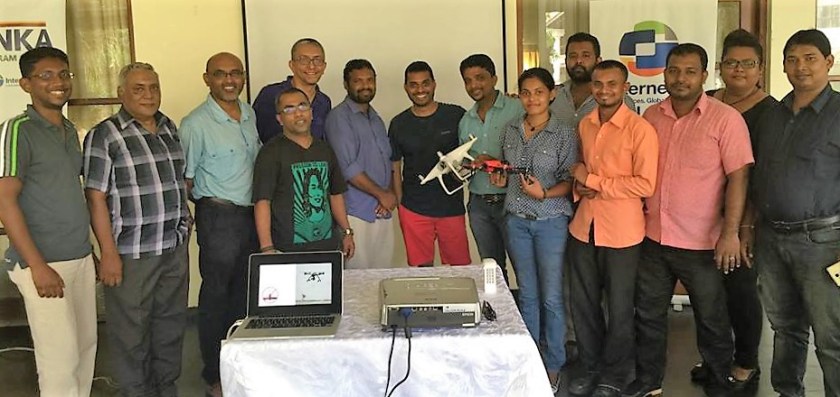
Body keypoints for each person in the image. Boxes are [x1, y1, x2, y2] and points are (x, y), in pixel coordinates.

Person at [625, 43, 753, 397]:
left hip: (703, 242)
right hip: (653, 238)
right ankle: (649, 381)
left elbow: (739, 177)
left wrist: (731, 233)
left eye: (690, 71)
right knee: (648, 315)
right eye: (674, 71)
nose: (680, 78)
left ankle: (718, 381)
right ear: (664, 73)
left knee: (712, 319)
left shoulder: (725, 119)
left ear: (704, 75)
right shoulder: (650, 117)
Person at [84, 62, 191, 397]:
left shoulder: (169, 127)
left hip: (173, 249)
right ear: (121, 94)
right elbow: (95, 197)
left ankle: (165, 389)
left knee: (171, 328)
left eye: (154, 87)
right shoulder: (105, 135)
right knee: (131, 335)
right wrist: (108, 254)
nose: (149, 95)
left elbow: (176, 181)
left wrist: (185, 219)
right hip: (131, 254)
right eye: (139, 88)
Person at [0, 47, 96, 397]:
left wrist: (90, 253)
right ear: (26, 84)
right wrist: (38, 266)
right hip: (42, 263)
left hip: (79, 257)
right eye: (46, 76)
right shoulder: (18, 130)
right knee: (59, 362)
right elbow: (4, 200)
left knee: (85, 352)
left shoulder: (69, 130)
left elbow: (67, 194)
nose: (58, 82)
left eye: (64, 75)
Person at [751, 29, 840, 397]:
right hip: (771, 238)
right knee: (785, 328)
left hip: (825, 243)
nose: (800, 67)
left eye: (810, 58)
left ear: (829, 63)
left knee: (832, 336)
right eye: (792, 59)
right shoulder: (772, 114)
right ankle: (789, 393)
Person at [566, 60, 658, 397]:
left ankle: (615, 374)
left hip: (621, 232)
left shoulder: (640, 129)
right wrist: (582, 185)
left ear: (625, 88)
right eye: (598, 84)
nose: (604, 90)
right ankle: (589, 367)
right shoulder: (586, 125)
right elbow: (579, 167)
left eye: (612, 85)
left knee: (620, 308)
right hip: (584, 227)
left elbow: (645, 184)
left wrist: (594, 182)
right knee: (584, 303)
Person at [692, 29, 775, 390]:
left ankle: (746, 362)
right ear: (720, 66)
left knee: (740, 291)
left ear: (760, 67)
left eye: (748, 63)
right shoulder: (708, 100)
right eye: (731, 62)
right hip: (701, 217)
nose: (738, 69)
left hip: (742, 222)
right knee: (710, 295)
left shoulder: (771, 112)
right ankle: (716, 356)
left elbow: (761, 178)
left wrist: (744, 229)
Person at [490, 67, 578, 393]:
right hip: (516, 220)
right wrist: (501, 178)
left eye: (539, 92)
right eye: (526, 92)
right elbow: (507, 171)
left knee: (552, 298)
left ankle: (553, 364)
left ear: (552, 94)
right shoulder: (511, 129)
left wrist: (544, 193)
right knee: (526, 295)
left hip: (551, 221)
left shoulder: (565, 132)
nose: (532, 98)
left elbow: (571, 181)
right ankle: (529, 360)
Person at [179, 52, 260, 397]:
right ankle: (214, 374)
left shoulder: (249, 113)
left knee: (245, 296)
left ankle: (239, 368)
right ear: (206, 79)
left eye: (235, 73)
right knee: (215, 298)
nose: (229, 80)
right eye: (220, 74)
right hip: (219, 216)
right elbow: (185, 180)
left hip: (251, 216)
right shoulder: (194, 124)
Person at [253, 87, 355, 257]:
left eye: (303, 106)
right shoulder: (270, 152)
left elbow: (335, 194)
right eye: (289, 109)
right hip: (287, 250)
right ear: (280, 119)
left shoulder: (324, 149)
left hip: (328, 247)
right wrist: (267, 248)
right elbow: (262, 202)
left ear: (311, 112)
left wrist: (347, 232)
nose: (298, 114)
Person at [389, 61, 470, 267]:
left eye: (425, 83)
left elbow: (472, 152)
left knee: (458, 269)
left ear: (434, 84)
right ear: (406, 87)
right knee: (420, 272)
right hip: (413, 208)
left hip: (451, 207)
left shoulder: (456, 115)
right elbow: (395, 166)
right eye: (413, 85)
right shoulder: (398, 123)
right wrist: (400, 204)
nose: (420, 90)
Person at [458, 54, 523, 283]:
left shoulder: (517, 108)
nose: (474, 85)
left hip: (512, 201)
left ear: (494, 78)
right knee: (492, 272)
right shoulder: (466, 120)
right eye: (468, 80)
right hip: (478, 204)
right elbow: (467, 161)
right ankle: (497, 316)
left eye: (480, 78)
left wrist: (495, 161)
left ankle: (525, 319)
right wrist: (462, 167)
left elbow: (532, 153)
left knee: (523, 270)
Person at [325, 59, 395, 269]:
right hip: (356, 213)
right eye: (358, 81)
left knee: (381, 278)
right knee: (357, 281)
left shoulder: (376, 118)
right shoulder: (339, 117)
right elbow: (348, 167)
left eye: (370, 80)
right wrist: (382, 195)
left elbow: (387, 160)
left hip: (382, 211)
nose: (365, 85)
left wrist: (388, 195)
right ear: (346, 84)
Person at [550, 32, 635, 130]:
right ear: (565, 61)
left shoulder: (620, 100)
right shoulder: (553, 96)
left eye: (585, 55)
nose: (578, 61)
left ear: (598, 61)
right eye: (573, 56)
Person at [253, 38, 331, 143]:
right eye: (304, 60)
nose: (312, 66)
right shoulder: (270, 95)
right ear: (292, 65)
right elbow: (256, 136)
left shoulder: (324, 102)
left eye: (317, 60)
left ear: (324, 66)